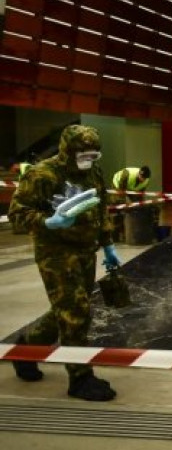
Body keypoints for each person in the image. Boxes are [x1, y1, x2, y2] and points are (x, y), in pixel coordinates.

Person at [8, 124, 120, 401]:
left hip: (85, 249)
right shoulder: (42, 174)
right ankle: (80, 378)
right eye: (84, 155)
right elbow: (17, 213)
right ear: (68, 151)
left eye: (94, 156)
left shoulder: (92, 171)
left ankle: (26, 349)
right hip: (55, 252)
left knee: (67, 308)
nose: (89, 161)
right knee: (76, 312)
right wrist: (48, 221)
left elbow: (101, 206)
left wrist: (107, 244)